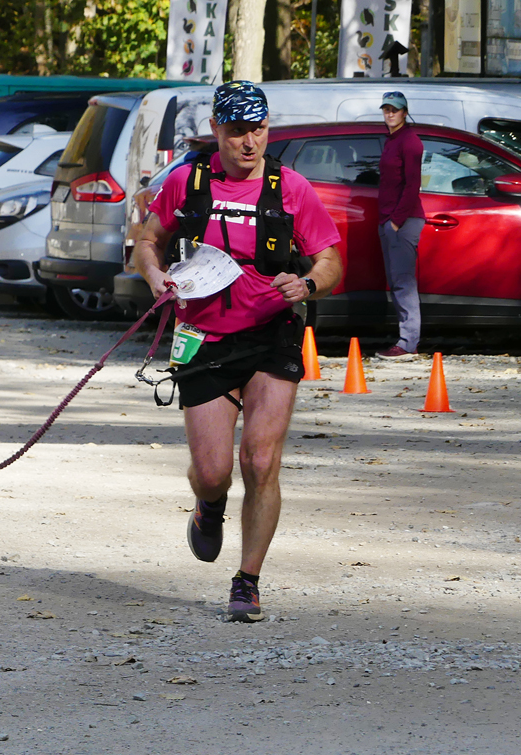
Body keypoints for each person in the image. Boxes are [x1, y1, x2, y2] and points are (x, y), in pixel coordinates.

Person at [132, 81, 343, 622]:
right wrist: (154, 275)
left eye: (259, 130)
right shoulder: (187, 182)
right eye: (237, 131)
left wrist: (308, 285)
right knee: (213, 471)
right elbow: (148, 240)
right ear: (216, 131)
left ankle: (247, 581)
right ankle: (209, 504)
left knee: (261, 460)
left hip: (272, 335)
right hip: (203, 337)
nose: (250, 142)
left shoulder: (291, 187)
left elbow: (331, 261)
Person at [375, 91, 425, 360]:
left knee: (403, 282)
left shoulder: (410, 142)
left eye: (395, 109)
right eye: (386, 109)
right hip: (388, 220)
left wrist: (396, 221)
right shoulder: (392, 140)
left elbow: (412, 185)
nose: (390, 113)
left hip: (403, 221)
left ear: (405, 112)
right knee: (396, 281)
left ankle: (408, 343)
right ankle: (405, 340)